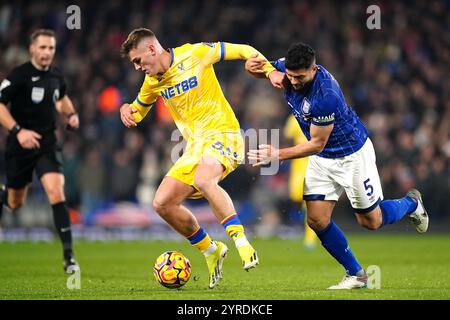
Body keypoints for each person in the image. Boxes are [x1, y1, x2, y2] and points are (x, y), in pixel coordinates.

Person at [246, 42, 429, 289]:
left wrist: (276, 154)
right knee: (317, 220)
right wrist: (268, 72)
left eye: (299, 77)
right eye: (290, 75)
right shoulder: (288, 68)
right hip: (323, 162)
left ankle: (411, 203)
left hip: (351, 156)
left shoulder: (325, 95)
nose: (294, 81)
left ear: (313, 69)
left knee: (370, 222)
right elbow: (256, 66)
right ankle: (357, 274)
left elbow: (316, 144)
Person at [119, 28, 275, 288]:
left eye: (138, 61)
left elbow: (242, 48)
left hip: (224, 134)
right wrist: (126, 108)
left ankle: (241, 241)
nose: (137, 68)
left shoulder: (196, 53)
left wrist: (268, 69)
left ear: (151, 49)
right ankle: (210, 250)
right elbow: (137, 112)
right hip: (195, 147)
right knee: (162, 203)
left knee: (204, 180)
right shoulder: (152, 82)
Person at [0, 29, 80, 274]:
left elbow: (61, 98)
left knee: (56, 193)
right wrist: (18, 131)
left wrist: (72, 114)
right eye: (43, 47)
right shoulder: (19, 75)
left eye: (51, 48)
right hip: (20, 145)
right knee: (15, 203)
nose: (47, 52)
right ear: (32, 49)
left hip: (46, 143)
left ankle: (69, 258)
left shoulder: (56, 76)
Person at [284, 114, 318, 250]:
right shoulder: (293, 118)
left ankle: (310, 238)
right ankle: (300, 224)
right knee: (296, 195)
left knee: (310, 200)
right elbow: (287, 137)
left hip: (314, 160)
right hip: (299, 161)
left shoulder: (318, 115)